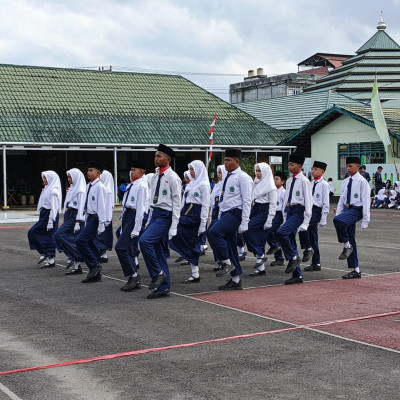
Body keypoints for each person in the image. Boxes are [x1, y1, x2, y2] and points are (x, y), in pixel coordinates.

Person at [138, 144, 181, 299]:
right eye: (155, 156)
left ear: (168, 159)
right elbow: (152, 200)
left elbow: (177, 203)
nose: (156, 159)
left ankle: (157, 273)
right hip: (155, 214)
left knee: (144, 241)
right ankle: (164, 287)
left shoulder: (173, 178)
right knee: (158, 252)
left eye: (159, 156)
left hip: (165, 216)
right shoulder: (155, 175)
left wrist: (174, 226)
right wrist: (150, 219)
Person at [208, 148, 252, 290]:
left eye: (228, 160)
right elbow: (224, 199)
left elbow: (247, 200)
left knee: (213, 232)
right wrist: (220, 214)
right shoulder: (227, 177)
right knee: (231, 245)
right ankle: (236, 279)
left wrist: (245, 222)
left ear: (237, 161)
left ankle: (226, 262)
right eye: (225, 160)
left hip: (235, 213)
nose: (225, 163)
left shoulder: (243, 177)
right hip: (226, 213)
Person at [170, 160, 210, 283]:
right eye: (190, 169)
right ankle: (195, 273)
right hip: (186, 212)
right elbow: (184, 201)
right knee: (189, 243)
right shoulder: (191, 184)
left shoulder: (204, 184)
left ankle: (195, 272)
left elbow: (205, 205)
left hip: (194, 215)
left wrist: (203, 224)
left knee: (191, 242)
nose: (191, 172)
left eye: (193, 169)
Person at [276, 154, 312, 285]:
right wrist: (285, 216)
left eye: (292, 164)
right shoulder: (290, 181)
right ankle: (297, 275)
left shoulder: (304, 181)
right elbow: (286, 199)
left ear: (300, 166)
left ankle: (293, 257)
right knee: (290, 240)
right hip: (290, 211)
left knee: (281, 232)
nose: (289, 167)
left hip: (299, 211)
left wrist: (306, 222)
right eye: (289, 164)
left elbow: (308, 201)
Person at [333, 156, 370, 279]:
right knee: (351, 237)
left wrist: (365, 220)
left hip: (357, 209)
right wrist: (339, 212)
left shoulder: (362, 182)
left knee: (338, 221)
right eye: (347, 166)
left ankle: (347, 246)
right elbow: (342, 199)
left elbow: (365, 201)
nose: (348, 168)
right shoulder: (346, 181)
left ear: (358, 166)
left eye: (351, 166)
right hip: (348, 209)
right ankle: (356, 270)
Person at [115, 159, 148, 291]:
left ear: (142, 172)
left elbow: (140, 208)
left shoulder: (142, 186)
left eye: (134, 170)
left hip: (134, 217)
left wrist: (137, 227)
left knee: (120, 247)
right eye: (131, 170)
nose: (131, 172)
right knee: (125, 245)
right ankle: (133, 277)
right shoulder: (131, 185)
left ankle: (133, 275)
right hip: (128, 216)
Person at [75, 162, 108, 283]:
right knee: (90, 243)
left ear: (98, 173)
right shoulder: (89, 186)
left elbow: (102, 207)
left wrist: (101, 224)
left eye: (91, 170)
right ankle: (95, 274)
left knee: (80, 241)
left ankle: (94, 265)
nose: (88, 172)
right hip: (89, 218)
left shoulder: (100, 187)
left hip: (96, 219)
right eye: (87, 170)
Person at [244, 162, 277, 276]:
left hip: (265, 212)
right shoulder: (256, 183)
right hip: (255, 209)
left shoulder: (271, 187)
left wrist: (269, 220)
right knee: (258, 239)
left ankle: (260, 255)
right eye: (256, 171)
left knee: (248, 231)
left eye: (260, 171)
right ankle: (261, 267)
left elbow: (273, 205)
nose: (257, 173)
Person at [299, 161, 330, 272]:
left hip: (317, 210)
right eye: (312, 169)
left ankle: (308, 248)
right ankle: (316, 263)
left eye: (316, 169)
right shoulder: (310, 183)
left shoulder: (324, 185)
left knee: (303, 226)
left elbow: (326, 203)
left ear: (322, 171)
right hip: (309, 209)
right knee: (313, 238)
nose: (313, 171)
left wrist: (323, 218)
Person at [55, 168, 86, 275]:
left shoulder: (80, 190)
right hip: (69, 214)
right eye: (68, 177)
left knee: (59, 235)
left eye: (70, 177)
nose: (68, 179)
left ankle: (78, 256)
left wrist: (78, 221)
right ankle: (77, 266)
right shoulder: (72, 188)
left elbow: (81, 206)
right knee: (70, 240)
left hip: (75, 215)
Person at [28, 170, 62, 268]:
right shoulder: (47, 188)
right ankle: (46, 254)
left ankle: (50, 259)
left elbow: (54, 207)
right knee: (40, 233)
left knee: (47, 235)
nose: (43, 179)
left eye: (45, 177)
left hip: (50, 214)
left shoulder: (53, 191)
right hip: (44, 214)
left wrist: (51, 221)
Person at [207, 164, 227, 272]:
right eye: (217, 172)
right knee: (210, 233)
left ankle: (225, 259)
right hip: (215, 211)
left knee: (216, 234)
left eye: (220, 172)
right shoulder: (217, 185)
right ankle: (219, 260)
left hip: (222, 211)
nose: (218, 175)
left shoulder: (226, 184)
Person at [266, 171, 286, 267]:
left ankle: (274, 247)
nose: (274, 181)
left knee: (270, 228)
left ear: (282, 182)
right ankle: (279, 258)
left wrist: (284, 219)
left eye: (277, 179)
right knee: (274, 235)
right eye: (274, 179)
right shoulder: (272, 190)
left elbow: (284, 207)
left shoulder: (283, 192)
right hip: (271, 213)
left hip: (278, 214)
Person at [96, 170, 115, 263]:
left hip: (105, 218)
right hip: (103, 217)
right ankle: (103, 254)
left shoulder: (106, 190)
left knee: (103, 237)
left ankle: (103, 254)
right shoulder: (102, 188)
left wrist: (106, 220)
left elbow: (107, 206)